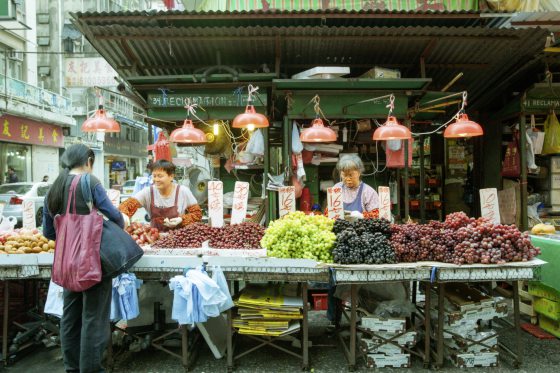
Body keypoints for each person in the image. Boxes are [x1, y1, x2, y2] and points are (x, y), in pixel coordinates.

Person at [43, 144, 125, 373]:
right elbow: (115, 217)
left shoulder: (54, 188)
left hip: (65, 263)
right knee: (94, 319)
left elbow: (48, 233)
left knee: (70, 317)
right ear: (89, 161)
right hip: (92, 262)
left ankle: (72, 368)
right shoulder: (90, 182)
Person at [119, 159, 202, 231]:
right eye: (154, 176)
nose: (156, 180)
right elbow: (128, 205)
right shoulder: (148, 192)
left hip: (178, 239)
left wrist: (181, 219)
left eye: (160, 176)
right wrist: (123, 215)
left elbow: (197, 214)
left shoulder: (183, 191)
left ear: (171, 176)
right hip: (154, 238)